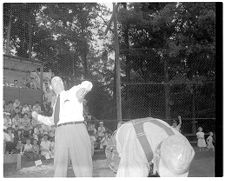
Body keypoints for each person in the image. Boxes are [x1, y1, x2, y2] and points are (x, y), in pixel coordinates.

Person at [32, 76, 93, 177]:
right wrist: (38, 117)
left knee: (83, 165)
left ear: (63, 83)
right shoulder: (55, 103)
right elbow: (52, 121)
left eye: (60, 80)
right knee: (59, 166)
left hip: (77, 128)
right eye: (55, 81)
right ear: (51, 87)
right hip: (60, 133)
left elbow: (88, 84)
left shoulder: (72, 91)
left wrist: (83, 89)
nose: (58, 82)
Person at [115, 117, 195, 177]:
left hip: (152, 125)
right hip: (126, 133)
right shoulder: (136, 149)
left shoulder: (183, 144)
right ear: (157, 156)